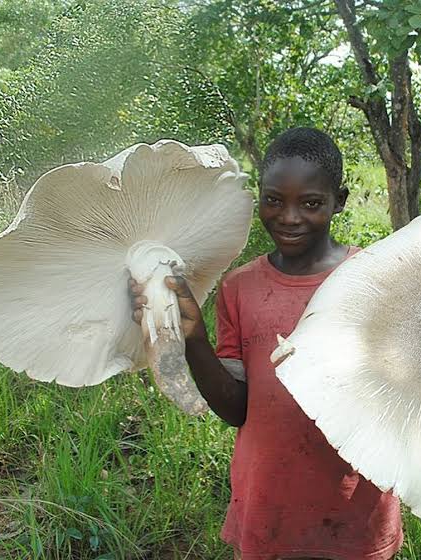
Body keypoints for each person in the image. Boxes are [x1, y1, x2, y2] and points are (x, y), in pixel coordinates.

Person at [129, 127, 403, 560]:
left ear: (340, 201)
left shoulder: (374, 278)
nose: (289, 217)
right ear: (259, 197)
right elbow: (237, 409)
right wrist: (194, 337)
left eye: (311, 203)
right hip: (267, 507)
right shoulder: (239, 288)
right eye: (274, 200)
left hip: (356, 511)